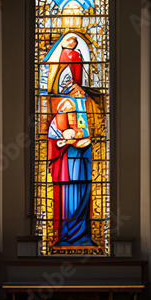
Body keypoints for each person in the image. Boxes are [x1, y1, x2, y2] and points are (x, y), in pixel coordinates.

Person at [47, 67, 95, 247]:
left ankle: (82, 232)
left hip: (84, 158)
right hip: (69, 162)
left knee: (84, 192)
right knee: (70, 194)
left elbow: (88, 132)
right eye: (75, 91)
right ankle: (69, 234)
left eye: (79, 90)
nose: (80, 93)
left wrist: (82, 138)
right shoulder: (63, 111)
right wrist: (67, 140)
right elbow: (57, 135)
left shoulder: (85, 108)